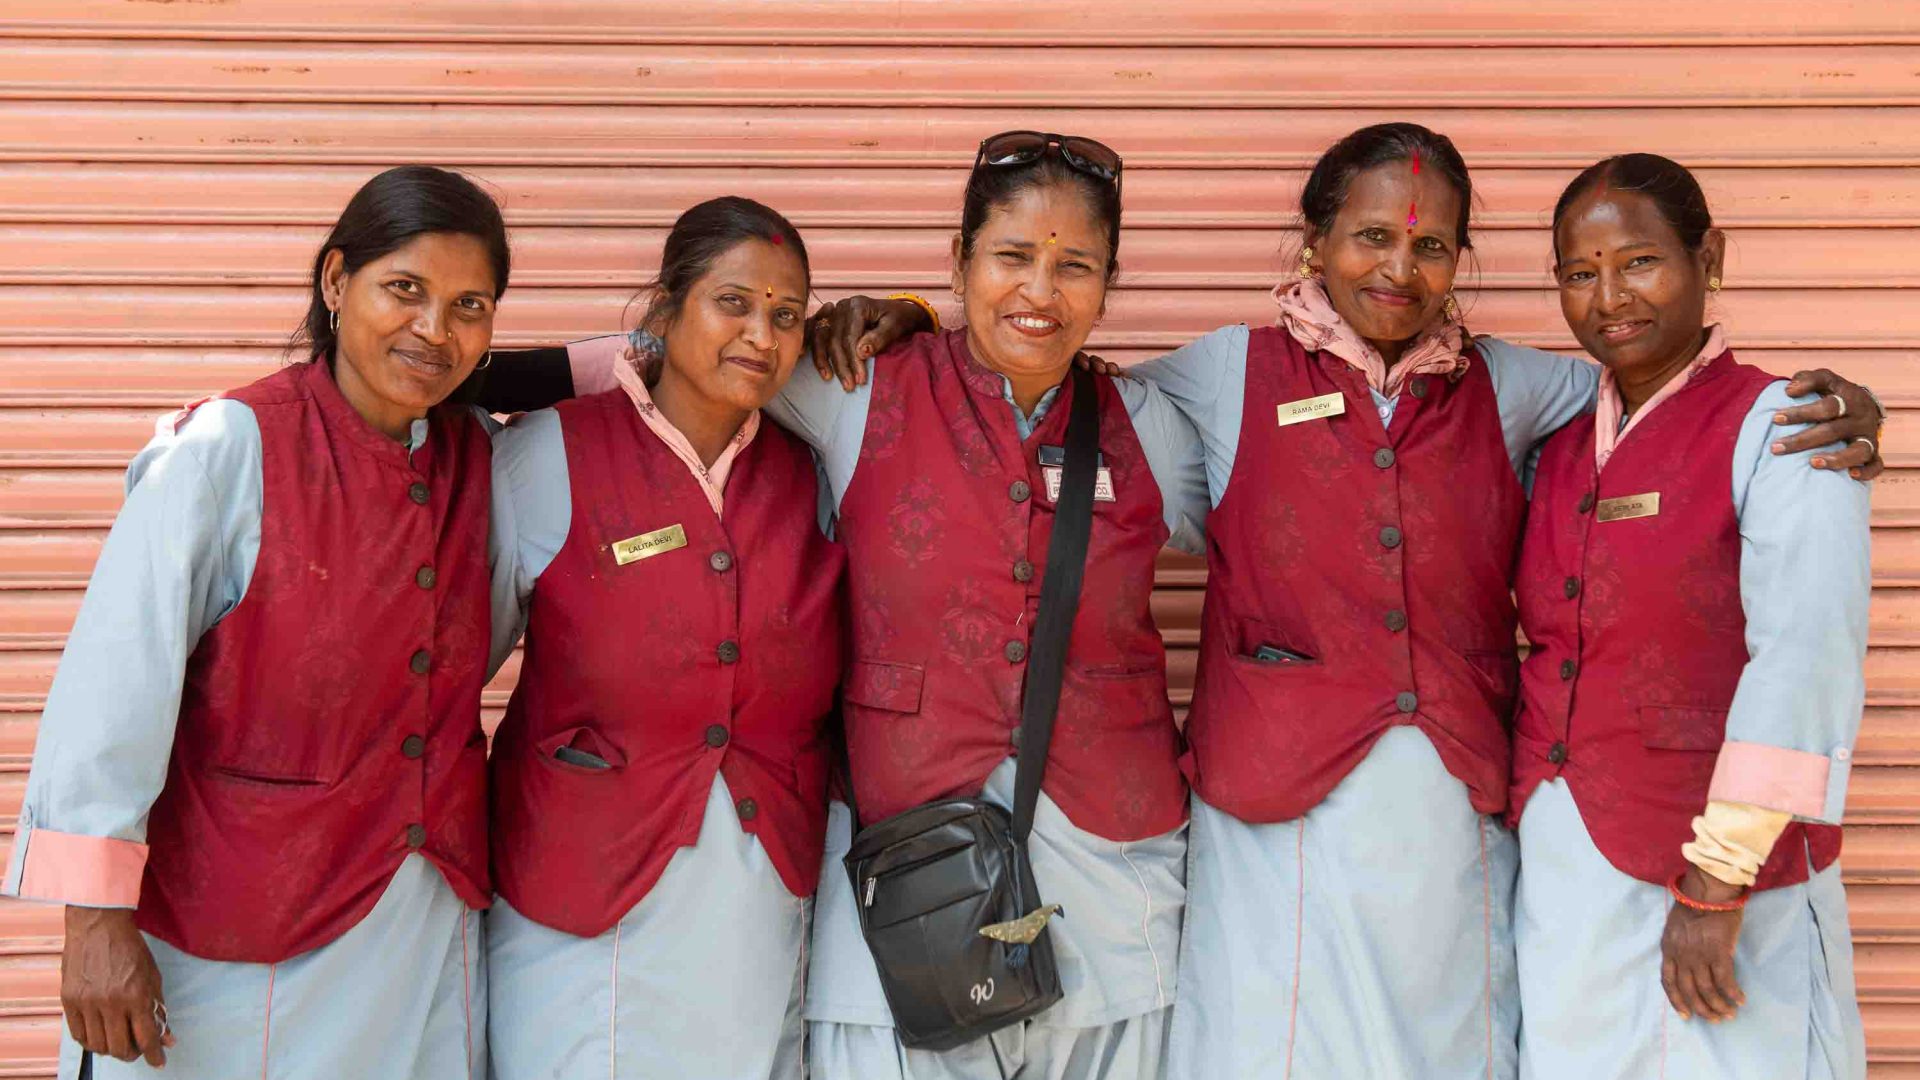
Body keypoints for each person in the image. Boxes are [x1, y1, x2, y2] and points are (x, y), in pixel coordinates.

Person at [819, 123, 1882, 1079]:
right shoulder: (1221, 377)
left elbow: (1658, 389)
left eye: (1429, 246)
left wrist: (1817, 403)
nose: (1398, 267)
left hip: (1453, 818)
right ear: (1315, 243)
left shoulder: (1518, 387)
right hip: (1271, 816)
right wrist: (910, 320)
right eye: (1371, 237)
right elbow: (1051, 367)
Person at [476, 132, 1212, 1080]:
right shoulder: (857, 388)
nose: (1040, 291)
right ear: (958, 263)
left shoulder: (1153, 426)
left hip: (1109, 884)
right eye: (1012, 257)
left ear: (1109, 286)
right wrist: (461, 379)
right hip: (905, 881)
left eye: (1075, 267)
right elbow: (690, 362)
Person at [4, 165, 508, 1078]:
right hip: (235, 934)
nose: (435, 330)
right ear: (333, 281)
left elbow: (636, 373)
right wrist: (94, 924)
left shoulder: (481, 455)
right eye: (405, 290)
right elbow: (114, 691)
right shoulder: (226, 450)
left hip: (417, 924)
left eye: (469, 305)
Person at [1508, 154, 1868, 1080]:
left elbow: (1804, 658)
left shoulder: (1782, 429)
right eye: (1579, 275)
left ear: (1709, 257)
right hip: (1570, 865)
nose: (1609, 297)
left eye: (1638, 262)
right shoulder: (1550, 441)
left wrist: (1719, 878)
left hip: (1720, 872)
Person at [482, 197, 845, 1079]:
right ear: (667, 308)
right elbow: (458, 661)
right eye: (734, 303)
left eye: (786, 315)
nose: (761, 333)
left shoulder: (814, 474)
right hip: (581, 889)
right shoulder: (547, 455)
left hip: (756, 896)